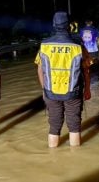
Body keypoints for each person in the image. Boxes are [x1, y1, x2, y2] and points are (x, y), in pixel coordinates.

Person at [34, 11, 91, 148]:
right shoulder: (78, 45)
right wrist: (87, 89)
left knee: (54, 125)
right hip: (73, 92)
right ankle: (75, 159)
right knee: (74, 125)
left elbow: (40, 69)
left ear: (54, 25)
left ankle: (53, 158)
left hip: (51, 92)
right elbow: (86, 69)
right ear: (69, 25)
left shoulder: (45, 45)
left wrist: (44, 89)